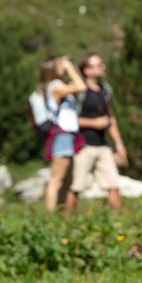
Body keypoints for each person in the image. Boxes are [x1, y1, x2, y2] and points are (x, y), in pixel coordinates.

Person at [68, 53, 128, 211]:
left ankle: (119, 220)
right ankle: (65, 219)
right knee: (75, 186)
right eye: (98, 65)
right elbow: (68, 120)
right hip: (82, 146)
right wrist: (94, 123)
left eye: (102, 64)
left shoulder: (105, 90)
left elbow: (111, 118)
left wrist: (119, 144)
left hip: (103, 145)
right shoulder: (78, 91)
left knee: (113, 184)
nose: (103, 67)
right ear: (86, 70)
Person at [36, 56, 87, 212]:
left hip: (69, 137)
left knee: (66, 180)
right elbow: (81, 86)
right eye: (60, 64)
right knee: (57, 179)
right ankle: (50, 216)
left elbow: (79, 82)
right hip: (62, 136)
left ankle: (62, 213)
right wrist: (69, 67)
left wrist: (70, 67)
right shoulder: (55, 86)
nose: (64, 65)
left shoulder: (61, 86)